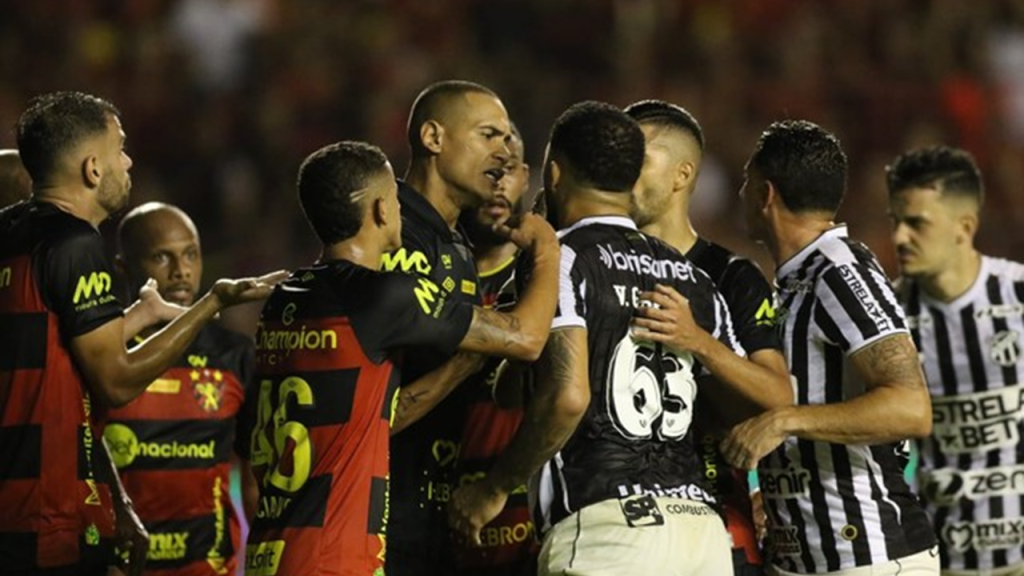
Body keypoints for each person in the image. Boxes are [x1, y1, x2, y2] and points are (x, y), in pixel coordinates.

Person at [449, 100, 745, 576]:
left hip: (609, 531)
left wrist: (494, 488)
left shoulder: (560, 259)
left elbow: (567, 397)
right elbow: (741, 409)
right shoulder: (691, 276)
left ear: (554, 172)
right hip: (702, 534)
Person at [239, 140, 559, 576]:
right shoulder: (380, 295)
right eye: (395, 196)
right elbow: (526, 338)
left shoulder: (286, 300)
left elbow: (382, 413)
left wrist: (464, 364)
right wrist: (547, 250)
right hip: (334, 555)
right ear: (380, 210)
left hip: (272, 551)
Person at [0, 90, 283, 576]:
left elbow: (49, 350)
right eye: (120, 149)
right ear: (93, 168)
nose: (128, 161)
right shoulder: (74, 242)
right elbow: (116, 380)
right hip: (46, 516)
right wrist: (213, 302)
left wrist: (137, 315)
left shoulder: (10, 231)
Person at [721, 120, 938, 575]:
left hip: (872, 555)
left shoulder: (838, 272)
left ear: (766, 194)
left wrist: (783, 420)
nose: (739, 193)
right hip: (809, 558)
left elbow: (910, 406)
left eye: (746, 181)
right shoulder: (793, 284)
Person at [625, 99, 792, 576]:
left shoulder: (731, 275)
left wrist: (698, 341)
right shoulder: (595, 264)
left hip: (713, 521)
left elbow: (776, 396)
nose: (622, 171)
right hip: (618, 522)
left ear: (682, 175)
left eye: (638, 158)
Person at [381, 79, 514, 576]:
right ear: (433, 138)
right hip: (382, 512)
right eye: (488, 135)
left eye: (506, 140)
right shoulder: (389, 228)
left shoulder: (455, 245)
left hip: (437, 508)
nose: (502, 152)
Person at [887, 146, 1024, 576]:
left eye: (916, 224)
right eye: (896, 222)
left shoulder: (1017, 296)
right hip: (941, 557)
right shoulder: (887, 315)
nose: (899, 238)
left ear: (964, 227)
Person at [102, 202, 258, 575]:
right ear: (124, 267)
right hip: (118, 566)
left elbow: (254, 481)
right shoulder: (101, 355)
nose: (182, 271)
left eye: (191, 254)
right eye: (161, 257)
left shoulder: (233, 355)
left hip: (209, 566)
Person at [452, 124, 539, 576]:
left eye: (508, 171)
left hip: (530, 524)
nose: (498, 183)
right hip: (441, 515)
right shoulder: (428, 282)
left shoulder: (544, 283)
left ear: (526, 178)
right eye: (488, 169)